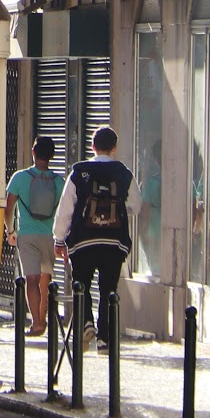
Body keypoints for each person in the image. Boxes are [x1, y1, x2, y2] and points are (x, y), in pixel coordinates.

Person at [54, 125, 141, 353]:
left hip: (83, 241)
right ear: (114, 148)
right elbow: (136, 205)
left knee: (81, 284)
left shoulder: (79, 172)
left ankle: (86, 323)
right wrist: (116, 211)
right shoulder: (124, 173)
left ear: (92, 146)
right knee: (108, 290)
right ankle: (104, 339)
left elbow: (66, 208)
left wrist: (59, 239)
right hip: (114, 243)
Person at [5, 136, 65, 338]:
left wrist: (10, 231)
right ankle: (42, 317)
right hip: (49, 235)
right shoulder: (59, 181)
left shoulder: (20, 178)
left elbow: (8, 207)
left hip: (27, 234)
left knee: (31, 279)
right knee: (45, 278)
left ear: (33, 152)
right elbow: (65, 211)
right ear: (52, 155)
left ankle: (37, 323)